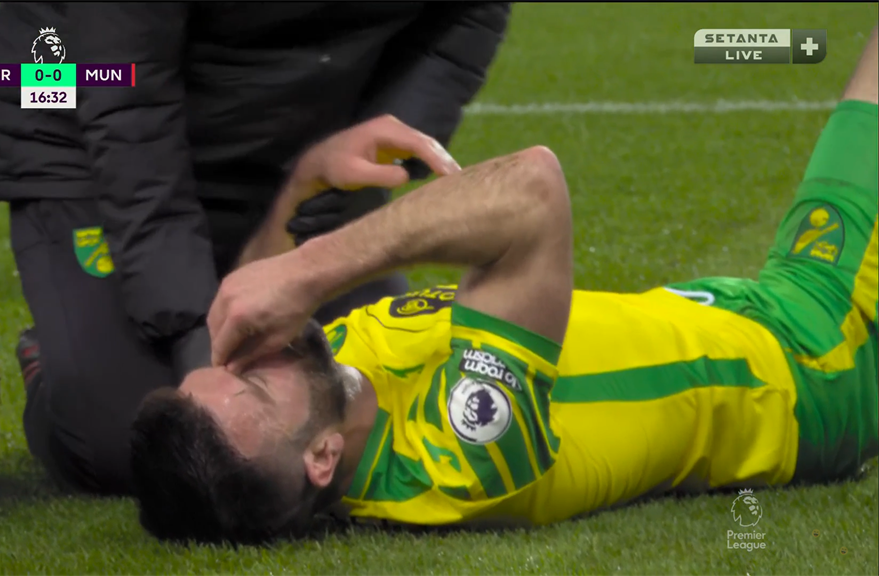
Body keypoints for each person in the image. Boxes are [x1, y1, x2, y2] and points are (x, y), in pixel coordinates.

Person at [129, 25, 879, 544]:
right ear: (322, 458)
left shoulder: (329, 392)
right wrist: (309, 269)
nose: (251, 352)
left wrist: (302, 185)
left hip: (743, 312)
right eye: (253, 383)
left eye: (221, 365)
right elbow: (531, 192)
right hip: (809, 362)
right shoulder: (461, 457)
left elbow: (256, 292)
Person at [0, 2, 510, 495]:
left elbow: (465, 21)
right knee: (137, 443)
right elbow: (130, 114)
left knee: (372, 395)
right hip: (83, 116)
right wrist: (196, 338)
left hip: (294, 137)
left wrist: (345, 193)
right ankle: (63, 355)